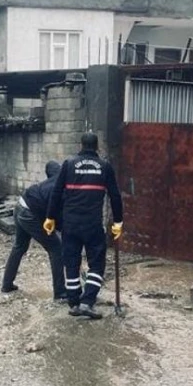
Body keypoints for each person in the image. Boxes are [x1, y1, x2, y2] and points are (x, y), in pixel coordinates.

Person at [44, 132, 123, 320]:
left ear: (81, 145)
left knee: (71, 263)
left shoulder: (69, 164)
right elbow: (115, 196)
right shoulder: (105, 167)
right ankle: (87, 302)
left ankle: (74, 303)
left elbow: (56, 193)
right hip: (92, 225)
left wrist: (50, 217)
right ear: (97, 147)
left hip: (70, 224)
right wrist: (118, 222)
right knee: (96, 263)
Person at [1, 161, 66, 300]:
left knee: (19, 246)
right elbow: (53, 214)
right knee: (56, 248)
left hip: (20, 205)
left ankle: (7, 284)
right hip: (30, 214)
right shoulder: (60, 186)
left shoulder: (50, 182)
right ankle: (60, 293)